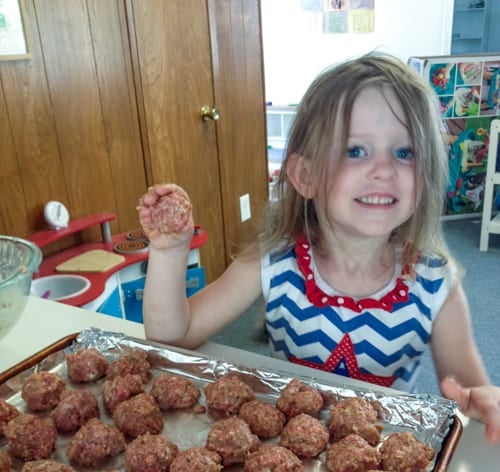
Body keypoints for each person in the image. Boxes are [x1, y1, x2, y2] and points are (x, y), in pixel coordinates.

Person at [137, 53, 500, 445]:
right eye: (355, 151)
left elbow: (467, 396)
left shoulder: (435, 284)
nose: (384, 170)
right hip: (284, 455)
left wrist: (485, 402)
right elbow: (174, 336)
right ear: (305, 176)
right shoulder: (274, 259)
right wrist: (171, 252)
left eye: (404, 152)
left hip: (383, 467)